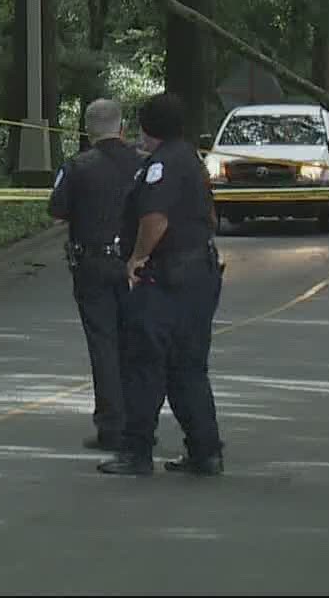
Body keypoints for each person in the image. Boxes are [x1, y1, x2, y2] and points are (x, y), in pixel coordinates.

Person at [99, 92, 225, 478]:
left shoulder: (162, 165)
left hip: (168, 280)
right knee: (188, 368)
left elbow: (155, 218)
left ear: (149, 128)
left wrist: (137, 259)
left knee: (144, 366)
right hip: (198, 274)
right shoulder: (190, 159)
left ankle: (136, 452)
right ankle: (205, 451)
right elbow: (211, 216)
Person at [49, 98, 146, 452]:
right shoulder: (144, 163)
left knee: (103, 344)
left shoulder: (77, 167)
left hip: (92, 264)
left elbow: (57, 213)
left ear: (87, 131)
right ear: (122, 128)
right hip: (136, 263)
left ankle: (112, 426)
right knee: (136, 344)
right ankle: (140, 423)